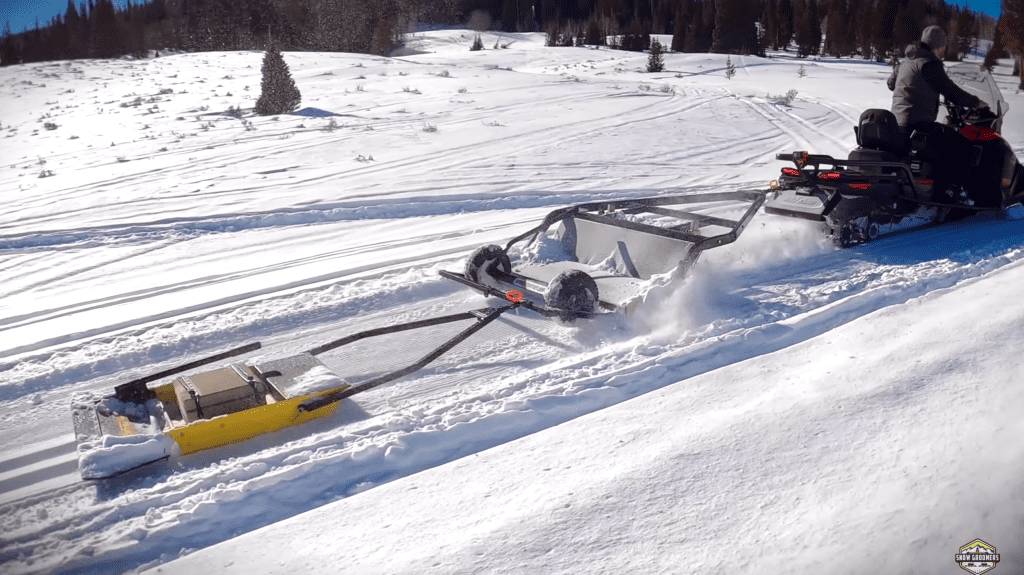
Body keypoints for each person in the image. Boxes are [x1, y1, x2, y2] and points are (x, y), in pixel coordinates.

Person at [887, 25, 985, 204]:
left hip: (898, 124)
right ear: (937, 47)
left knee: (939, 149)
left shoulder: (906, 61)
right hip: (919, 124)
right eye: (942, 48)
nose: (942, 52)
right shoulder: (930, 64)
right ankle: (957, 192)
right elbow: (950, 90)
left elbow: (891, 84)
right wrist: (975, 102)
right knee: (963, 145)